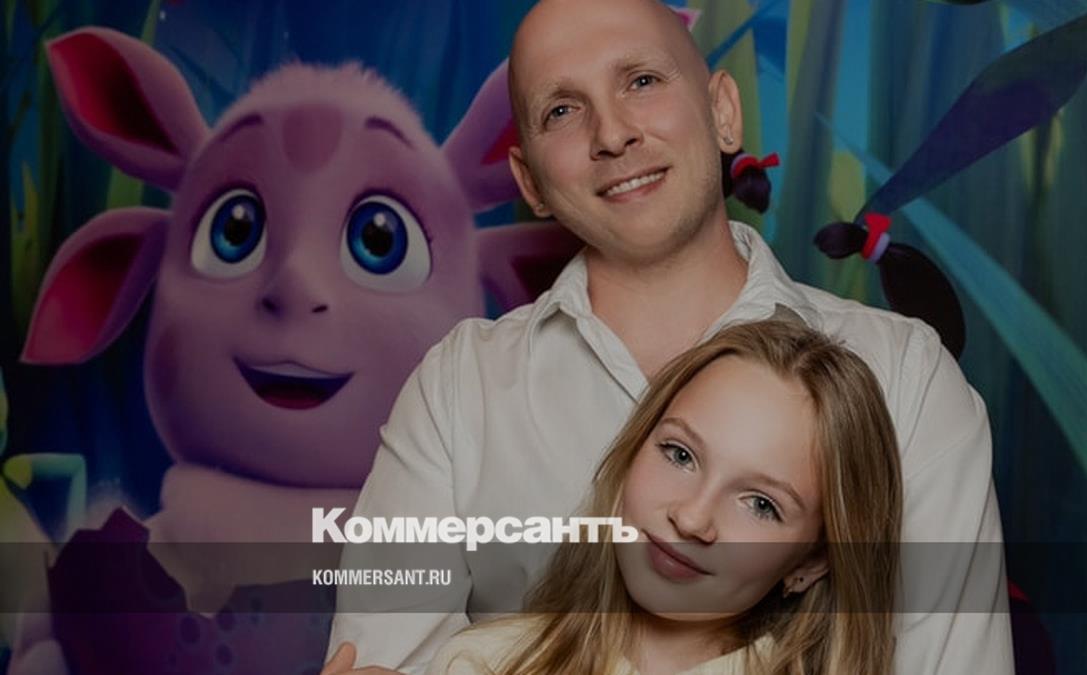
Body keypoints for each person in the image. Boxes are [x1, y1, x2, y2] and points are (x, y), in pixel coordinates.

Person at [325, 0, 1012, 672]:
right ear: (530, 181)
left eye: (642, 80)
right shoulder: (457, 388)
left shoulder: (905, 379)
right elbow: (383, 662)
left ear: (724, 111)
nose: (612, 133)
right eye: (561, 110)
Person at [422, 319, 903, 674]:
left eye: (761, 504)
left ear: (812, 562)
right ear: (635, 448)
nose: (691, 518)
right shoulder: (481, 663)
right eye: (680, 455)